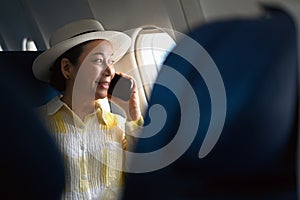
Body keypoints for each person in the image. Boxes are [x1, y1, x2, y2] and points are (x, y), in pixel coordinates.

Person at [32, 19, 143, 200]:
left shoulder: (119, 126)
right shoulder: (36, 124)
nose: (110, 71)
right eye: (99, 60)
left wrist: (133, 115)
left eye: (111, 61)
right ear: (67, 69)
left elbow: (145, 178)